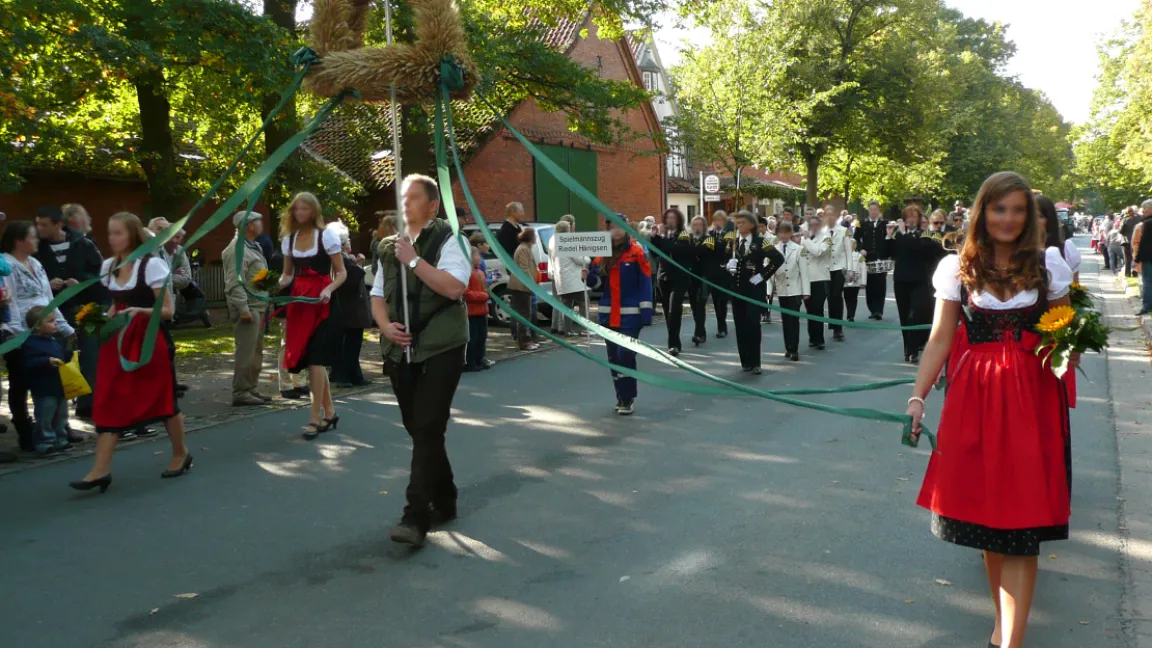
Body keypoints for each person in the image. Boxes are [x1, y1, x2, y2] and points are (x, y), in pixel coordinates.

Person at [907, 171, 1077, 648]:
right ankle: (1004, 623)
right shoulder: (958, 267)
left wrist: (1071, 344)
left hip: (1033, 397)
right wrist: (918, 396)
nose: (1008, 219)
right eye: (1000, 209)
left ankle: (1010, 641)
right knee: (990, 521)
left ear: (1030, 217)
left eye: (1018, 210)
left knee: (1023, 524)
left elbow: (1063, 330)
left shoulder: (1049, 266)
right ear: (984, 212)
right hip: (975, 397)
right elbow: (940, 338)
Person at [372, 173, 472, 547]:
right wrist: (385, 328)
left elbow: (453, 287)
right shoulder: (387, 246)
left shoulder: (450, 239)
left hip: (442, 345)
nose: (405, 204)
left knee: (429, 425)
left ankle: (416, 515)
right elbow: (378, 295)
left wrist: (414, 261)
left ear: (432, 205)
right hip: (401, 348)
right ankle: (445, 498)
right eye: (402, 198)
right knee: (419, 428)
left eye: (413, 198)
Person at [70, 212, 190, 493]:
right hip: (118, 342)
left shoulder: (152, 265)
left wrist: (140, 311)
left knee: (164, 401)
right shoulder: (110, 265)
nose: (112, 239)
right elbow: (115, 306)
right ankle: (100, 470)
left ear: (133, 235)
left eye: (118, 233)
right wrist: (100, 320)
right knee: (108, 399)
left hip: (149, 342)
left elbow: (168, 311)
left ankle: (180, 453)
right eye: (110, 233)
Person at [1, 221, 77, 453]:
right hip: (21, 333)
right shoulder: (6, 264)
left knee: (52, 379)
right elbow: (9, 300)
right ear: (18, 241)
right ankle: (26, 431)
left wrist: (64, 327)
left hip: (46, 330)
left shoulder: (35, 263)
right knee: (20, 382)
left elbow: (47, 298)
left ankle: (58, 427)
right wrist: (15, 334)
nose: (37, 241)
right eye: (32, 237)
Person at [279, 191, 346, 440]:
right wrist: (270, 286)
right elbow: (287, 275)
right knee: (311, 360)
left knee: (316, 360)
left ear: (314, 211)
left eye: (305, 209)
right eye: (296, 209)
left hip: (322, 301)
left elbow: (341, 273)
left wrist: (328, 288)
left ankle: (314, 418)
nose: (300, 213)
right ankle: (329, 411)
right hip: (299, 302)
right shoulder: (290, 238)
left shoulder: (326, 235)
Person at [35, 205, 103, 420]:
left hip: (84, 311)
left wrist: (80, 282)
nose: (39, 229)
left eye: (44, 224)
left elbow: (100, 276)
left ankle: (88, 405)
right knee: (59, 360)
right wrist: (48, 284)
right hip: (54, 314)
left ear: (58, 224)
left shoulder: (83, 244)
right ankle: (59, 417)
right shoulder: (38, 249)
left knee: (90, 357)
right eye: (37, 224)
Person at [596, 220, 653, 414]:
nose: (616, 230)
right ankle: (620, 396)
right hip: (607, 315)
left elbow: (646, 282)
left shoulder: (637, 252)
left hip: (630, 315)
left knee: (625, 354)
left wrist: (646, 312)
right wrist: (586, 275)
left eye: (619, 226)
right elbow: (596, 282)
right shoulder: (603, 252)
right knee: (613, 357)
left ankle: (629, 397)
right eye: (612, 227)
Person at [222, 210, 271, 406]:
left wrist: (271, 288)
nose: (261, 224)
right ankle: (241, 391)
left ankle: (251, 388)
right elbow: (234, 282)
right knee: (246, 352)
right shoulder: (237, 249)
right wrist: (243, 308)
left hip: (257, 306)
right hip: (248, 308)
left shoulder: (253, 246)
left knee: (256, 352)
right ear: (249, 225)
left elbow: (255, 275)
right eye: (258, 221)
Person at [726, 211, 784, 374]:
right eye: (738, 223)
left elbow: (778, 259)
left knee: (752, 325)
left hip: (753, 289)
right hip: (737, 290)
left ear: (751, 225)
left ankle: (755, 361)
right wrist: (727, 266)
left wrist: (763, 276)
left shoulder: (761, 242)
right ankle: (745, 361)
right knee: (740, 326)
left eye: (743, 222)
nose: (739, 225)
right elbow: (723, 261)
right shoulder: (733, 243)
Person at [889, 205, 940, 363]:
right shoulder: (899, 234)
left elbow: (917, 248)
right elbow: (889, 253)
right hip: (901, 279)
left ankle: (915, 346)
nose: (911, 220)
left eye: (914, 217)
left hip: (919, 279)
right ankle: (908, 349)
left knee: (917, 314)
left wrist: (904, 235)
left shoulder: (923, 234)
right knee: (904, 316)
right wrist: (888, 236)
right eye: (908, 217)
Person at [21, 306, 72, 456]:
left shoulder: (55, 341)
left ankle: (60, 439)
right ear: (37, 326)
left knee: (61, 414)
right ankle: (45, 442)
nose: (55, 324)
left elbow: (63, 356)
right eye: (50, 321)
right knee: (45, 416)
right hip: (44, 387)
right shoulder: (30, 343)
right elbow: (27, 363)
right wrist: (46, 361)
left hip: (59, 385)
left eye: (55, 321)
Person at [327, 222, 372, 388]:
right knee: (349, 346)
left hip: (352, 309)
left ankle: (355, 375)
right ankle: (343, 375)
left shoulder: (345, 259)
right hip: (348, 309)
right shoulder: (340, 260)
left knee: (354, 345)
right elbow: (351, 281)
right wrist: (359, 265)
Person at [649, 208, 697, 355]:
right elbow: (654, 252)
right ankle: (674, 339)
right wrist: (654, 237)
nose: (670, 221)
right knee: (666, 311)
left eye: (673, 218)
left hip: (679, 277)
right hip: (663, 276)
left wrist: (661, 239)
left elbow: (675, 249)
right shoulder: (662, 236)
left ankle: (673, 343)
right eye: (668, 218)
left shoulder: (683, 235)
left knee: (674, 309)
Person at [772, 222, 809, 361]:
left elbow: (804, 272)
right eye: (780, 232)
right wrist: (768, 291)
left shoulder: (799, 249)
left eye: (786, 232)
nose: (783, 235)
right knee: (785, 320)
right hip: (782, 290)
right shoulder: (774, 249)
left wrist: (806, 291)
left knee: (793, 320)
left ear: (790, 233)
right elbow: (771, 273)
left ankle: (794, 349)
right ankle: (788, 347)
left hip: (795, 289)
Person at [546, 220, 590, 337]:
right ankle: (585, 328)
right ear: (568, 229)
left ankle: (568, 330)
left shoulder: (552, 240)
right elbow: (579, 259)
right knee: (584, 302)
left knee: (566, 306)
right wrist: (587, 259)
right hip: (572, 280)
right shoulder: (567, 242)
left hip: (561, 279)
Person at [854, 200, 891, 320]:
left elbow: (889, 239)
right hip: (867, 257)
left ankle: (879, 310)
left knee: (880, 284)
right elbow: (856, 239)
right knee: (869, 284)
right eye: (871, 210)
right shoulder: (861, 223)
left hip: (881, 257)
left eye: (875, 210)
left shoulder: (885, 223)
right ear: (868, 210)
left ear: (878, 210)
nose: (873, 212)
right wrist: (861, 249)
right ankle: (872, 309)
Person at [801, 214, 831, 351]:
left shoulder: (826, 238)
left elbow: (818, 252)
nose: (813, 227)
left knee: (818, 308)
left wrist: (806, 240)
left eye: (816, 225)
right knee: (809, 309)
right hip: (806, 279)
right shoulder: (803, 239)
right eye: (811, 225)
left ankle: (819, 339)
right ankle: (812, 337)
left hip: (819, 278)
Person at [1036, 196, 1082, 285]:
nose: (1033, 221)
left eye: (1039, 216)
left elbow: (1075, 287)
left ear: (1049, 218)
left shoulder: (1066, 249)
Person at [506, 227, 539, 351]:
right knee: (524, 314)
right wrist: (531, 283)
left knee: (526, 313)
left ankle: (527, 340)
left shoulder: (526, 248)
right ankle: (524, 342)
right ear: (530, 237)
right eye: (534, 235)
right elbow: (524, 268)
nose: (536, 238)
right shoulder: (524, 249)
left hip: (524, 286)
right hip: (521, 286)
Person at [823, 207, 852, 342]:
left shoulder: (843, 231)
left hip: (840, 267)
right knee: (830, 297)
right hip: (826, 269)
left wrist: (850, 270)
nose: (829, 218)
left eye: (831, 215)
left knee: (837, 295)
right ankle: (833, 324)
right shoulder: (821, 232)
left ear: (835, 216)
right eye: (827, 215)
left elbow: (848, 251)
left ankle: (838, 327)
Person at [704, 211, 734, 338]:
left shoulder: (730, 235)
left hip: (725, 272)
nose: (718, 223)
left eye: (721, 221)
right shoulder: (709, 234)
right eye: (716, 220)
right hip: (712, 272)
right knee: (716, 301)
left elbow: (729, 252)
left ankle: (722, 327)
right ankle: (720, 324)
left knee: (722, 300)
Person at [463, 247, 492, 372]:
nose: (479, 258)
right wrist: (484, 296)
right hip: (471, 311)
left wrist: (487, 294)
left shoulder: (480, 272)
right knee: (473, 338)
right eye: (477, 256)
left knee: (482, 336)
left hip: (482, 310)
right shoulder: (466, 272)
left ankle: (480, 359)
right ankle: (470, 361)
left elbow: (486, 288)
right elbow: (466, 292)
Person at [686, 215, 711, 346]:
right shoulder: (688, 238)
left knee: (700, 304)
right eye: (695, 224)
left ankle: (698, 334)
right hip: (690, 277)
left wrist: (689, 250)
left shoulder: (709, 239)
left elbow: (703, 252)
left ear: (704, 226)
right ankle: (702, 331)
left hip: (703, 277)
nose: (697, 227)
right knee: (694, 307)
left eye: (699, 225)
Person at [843, 240, 866, 322]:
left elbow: (863, 269)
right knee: (847, 297)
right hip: (846, 281)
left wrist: (863, 282)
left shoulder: (859, 256)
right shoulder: (843, 256)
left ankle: (851, 315)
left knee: (853, 298)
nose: (853, 245)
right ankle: (849, 312)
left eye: (854, 244)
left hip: (856, 281)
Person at [1121, 206, 1140, 277]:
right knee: (1135, 256)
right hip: (1136, 239)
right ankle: (1135, 273)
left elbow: (1121, 231)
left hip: (1127, 241)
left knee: (1127, 258)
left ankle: (1127, 273)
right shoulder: (1138, 218)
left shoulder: (1125, 220)